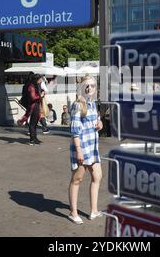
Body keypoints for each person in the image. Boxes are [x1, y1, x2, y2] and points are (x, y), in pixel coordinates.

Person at [68, 76, 103, 225]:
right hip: (82, 147)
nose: (89, 89)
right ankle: (73, 212)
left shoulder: (92, 103)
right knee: (77, 180)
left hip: (92, 148)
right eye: (86, 86)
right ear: (81, 87)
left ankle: (94, 210)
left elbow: (96, 120)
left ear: (95, 88)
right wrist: (79, 151)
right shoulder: (78, 104)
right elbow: (75, 131)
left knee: (97, 176)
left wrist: (99, 123)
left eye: (92, 86)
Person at [27, 74, 45, 145]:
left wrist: (42, 93)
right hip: (34, 106)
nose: (41, 80)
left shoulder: (36, 85)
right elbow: (33, 97)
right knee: (33, 123)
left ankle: (35, 138)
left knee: (35, 123)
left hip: (37, 105)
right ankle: (32, 139)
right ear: (36, 79)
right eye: (40, 79)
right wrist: (41, 95)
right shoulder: (31, 86)